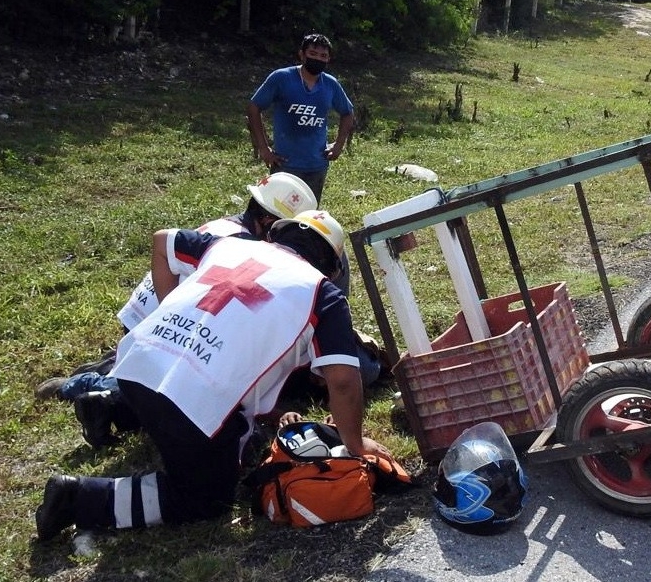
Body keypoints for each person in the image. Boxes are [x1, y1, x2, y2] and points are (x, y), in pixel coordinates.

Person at [35, 210, 393, 541]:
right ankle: (77, 498)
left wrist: (169, 312)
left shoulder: (231, 246)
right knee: (205, 499)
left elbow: (163, 239)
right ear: (332, 266)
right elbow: (344, 381)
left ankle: (114, 409)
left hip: (134, 365)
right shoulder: (322, 294)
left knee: (172, 405)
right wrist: (357, 444)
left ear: (275, 236)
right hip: (196, 403)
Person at [246, 33, 355, 203]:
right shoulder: (282, 78)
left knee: (307, 217)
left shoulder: (331, 84)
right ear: (302, 54)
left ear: (328, 59)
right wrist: (264, 148)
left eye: (323, 56)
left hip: (317, 165)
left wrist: (339, 145)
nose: (318, 59)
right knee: (277, 215)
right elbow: (253, 107)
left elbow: (348, 113)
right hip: (285, 165)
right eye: (312, 54)